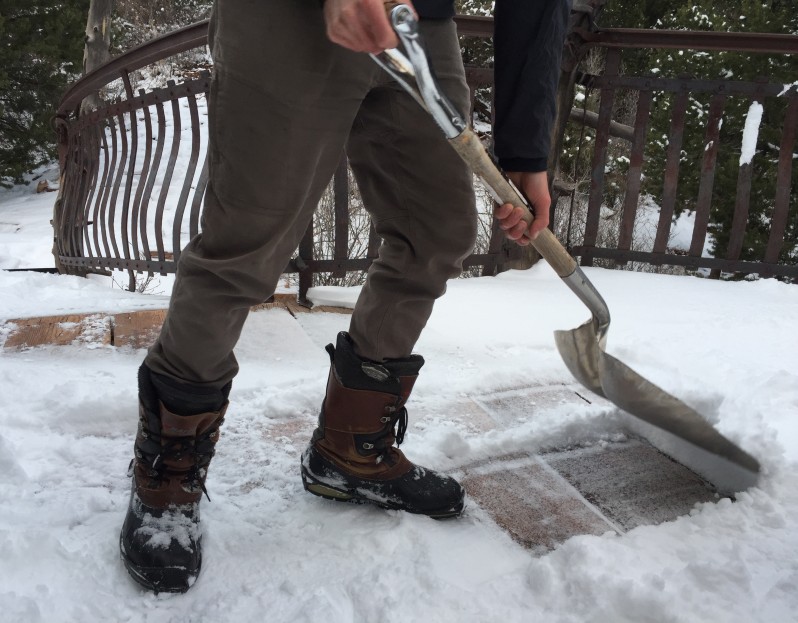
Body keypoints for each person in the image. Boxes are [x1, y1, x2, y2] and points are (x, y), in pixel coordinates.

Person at [119, 0, 570, 593]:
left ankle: (349, 451)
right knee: (246, 242)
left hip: (417, 22)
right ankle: (168, 466)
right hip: (288, 15)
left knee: (434, 232)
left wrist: (527, 151)